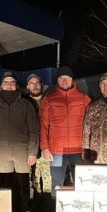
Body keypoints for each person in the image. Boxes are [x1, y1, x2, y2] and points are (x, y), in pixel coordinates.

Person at [0, 71, 39, 212]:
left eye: (12, 82)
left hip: (22, 151)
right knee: (7, 187)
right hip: (2, 152)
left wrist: (33, 152)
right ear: (1, 85)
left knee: (23, 186)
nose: (9, 85)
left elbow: (34, 130)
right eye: (6, 82)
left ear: (16, 85)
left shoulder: (26, 104)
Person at [39, 65, 91, 196]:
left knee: (82, 183)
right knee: (56, 184)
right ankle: (57, 208)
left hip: (78, 150)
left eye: (68, 78)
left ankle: (80, 206)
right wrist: (45, 148)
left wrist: (89, 148)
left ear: (72, 80)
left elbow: (91, 123)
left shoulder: (83, 98)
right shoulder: (49, 98)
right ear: (57, 80)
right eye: (61, 78)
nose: (64, 81)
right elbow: (43, 125)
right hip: (57, 151)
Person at [25, 73, 52, 195]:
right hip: (30, 146)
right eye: (31, 83)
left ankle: (48, 201)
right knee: (33, 178)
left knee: (48, 177)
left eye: (37, 83)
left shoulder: (49, 100)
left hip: (47, 146)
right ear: (27, 87)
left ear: (42, 85)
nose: (35, 86)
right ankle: (34, 201)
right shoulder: (23, 102)